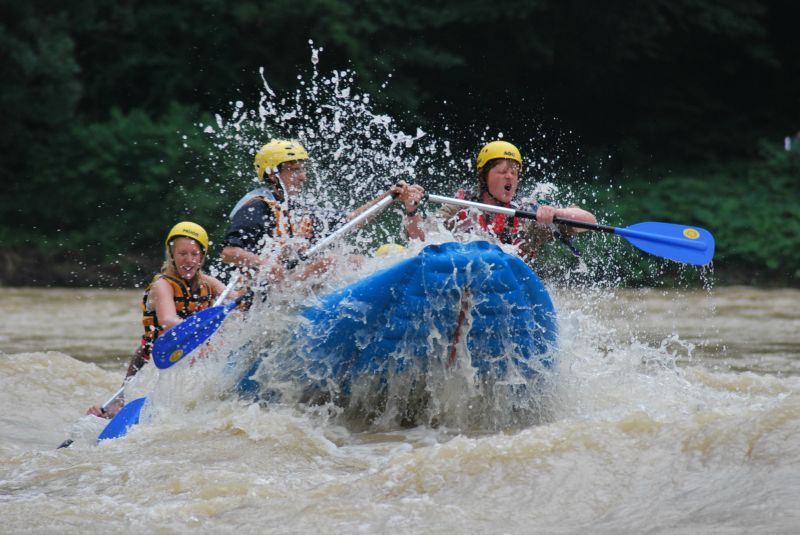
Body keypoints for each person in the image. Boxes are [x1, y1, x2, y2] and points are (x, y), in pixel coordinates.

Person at [221, 139, 424, 280]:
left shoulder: (298, 210)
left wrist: (389, 196)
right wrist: (266, 263)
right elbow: (229, 252)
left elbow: (351, 221)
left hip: (293, 282)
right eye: (294, 170)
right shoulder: (257, 206)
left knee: (356, 260)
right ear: (272, 175)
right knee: (328, 262)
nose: (302, 177)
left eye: (302, 169)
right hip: (266, 289)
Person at [87, 221, 226, 418]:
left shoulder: (208, 283)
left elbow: (235, 297)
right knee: (117, 410)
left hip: (188, 357)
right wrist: (203, 332)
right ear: (171, 256)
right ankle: (104, 413)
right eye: (182, 254)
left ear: (202, 257)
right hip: (152, 360)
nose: (189, 260)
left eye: (194, 254)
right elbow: (168, 320)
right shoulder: (163, 285)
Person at [408, 140, 597, 262]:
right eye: (502, 172)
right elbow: (421, 240)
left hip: (511, 292)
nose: (510, 177)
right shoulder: (459, 208)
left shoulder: (526, 216)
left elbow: (589, 222)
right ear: (484, 178)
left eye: (514, 173)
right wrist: (411, 210)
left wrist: (556, 213)